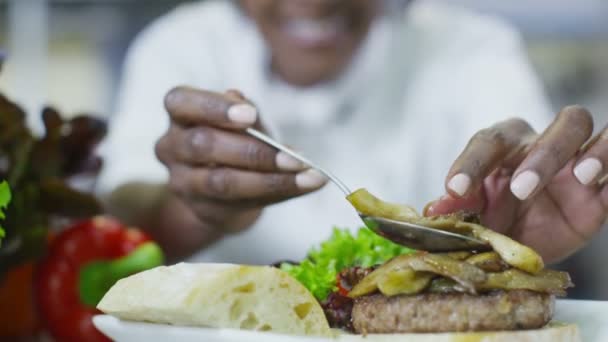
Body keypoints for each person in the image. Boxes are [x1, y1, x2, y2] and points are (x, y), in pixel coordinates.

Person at [98, 0, 605, 265]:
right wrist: (194, 209)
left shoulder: (472, 48)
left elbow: (534, 163)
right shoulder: (180, 45)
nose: (316, 4)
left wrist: (516, 220)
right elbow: (123, 220)